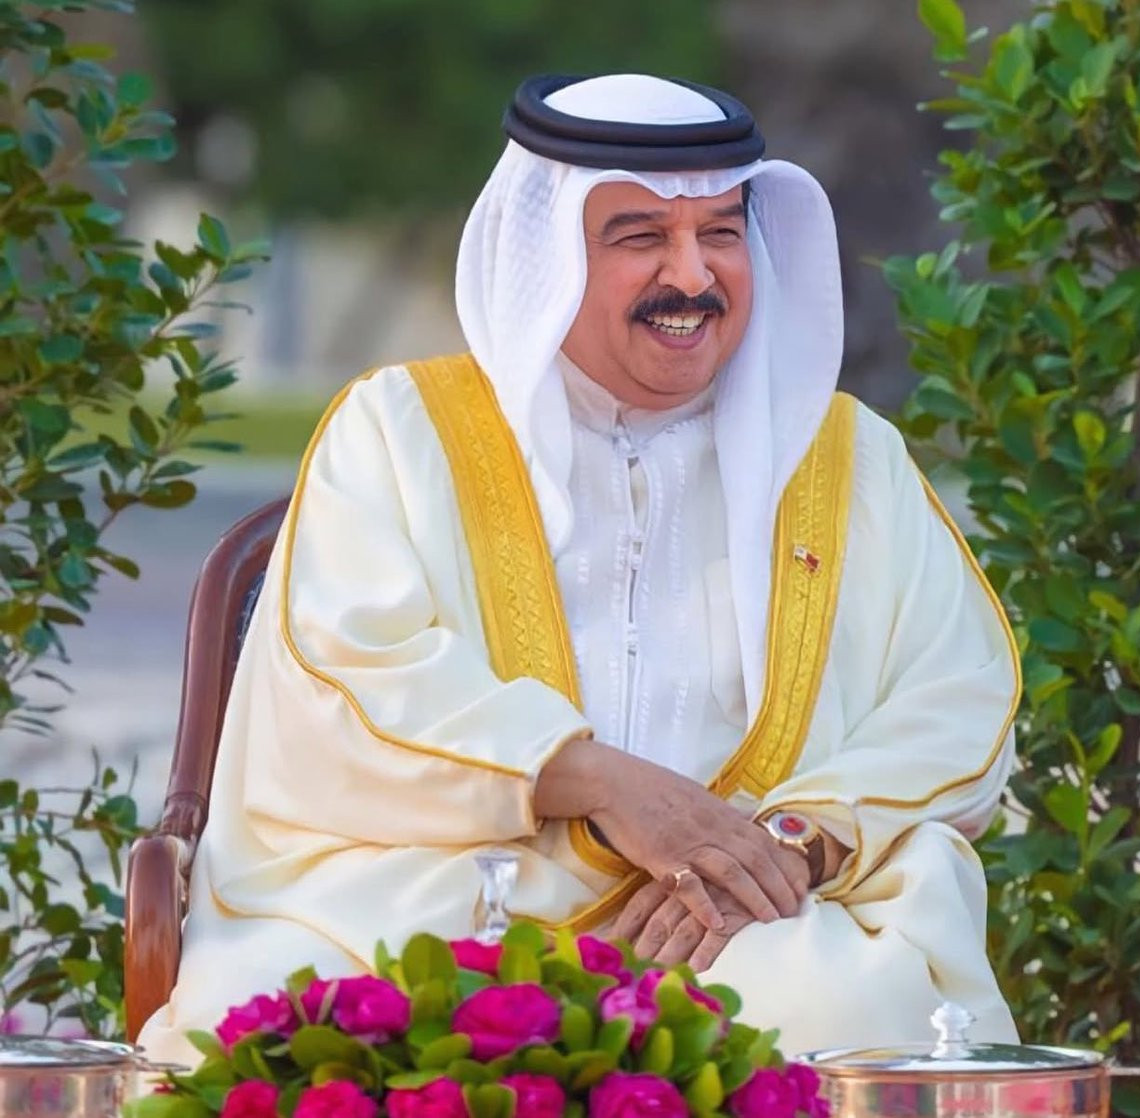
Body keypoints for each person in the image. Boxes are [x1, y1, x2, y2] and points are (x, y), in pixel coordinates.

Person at [138, 73, 1021, 1066]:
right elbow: (347, 677)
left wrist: (789, 843)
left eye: (721, 233)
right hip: (441, 891)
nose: (692, 275)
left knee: (848, 1007)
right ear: (547, 255)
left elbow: (954, 693)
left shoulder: (849, 461)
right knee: (290, 1014)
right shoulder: (398, 433)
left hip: (739, 920)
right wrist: (597, 781)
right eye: (640, 237)